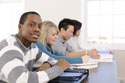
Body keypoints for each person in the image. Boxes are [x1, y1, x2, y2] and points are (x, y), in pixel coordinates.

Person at [0, 11, 70, 83]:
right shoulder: (9, 48)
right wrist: (58, 68)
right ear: (20, 27)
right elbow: (22, 80)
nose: (37, 29)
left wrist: (47, 64)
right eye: (32, 25)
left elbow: (51, 60)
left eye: (39, 26)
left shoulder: (32, 47)